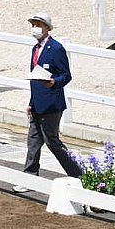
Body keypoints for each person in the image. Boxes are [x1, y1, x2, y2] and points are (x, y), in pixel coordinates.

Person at [13, 13, 82, 193]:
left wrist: (54, 82)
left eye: (38, 25)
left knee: (53, 142)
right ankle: (30, 177)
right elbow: (34, 78)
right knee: (33, 141)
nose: (34, 28)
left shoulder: (56, 48)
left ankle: (78, 175)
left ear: (47, 28)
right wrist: (31, 102)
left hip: (51, 103)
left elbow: (66, 75)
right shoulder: (35, 49)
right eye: (33, 25)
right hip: (37, 103)